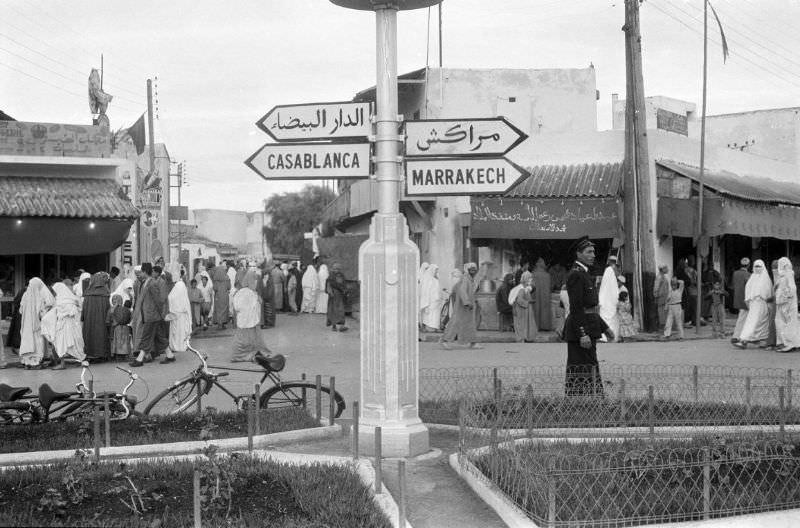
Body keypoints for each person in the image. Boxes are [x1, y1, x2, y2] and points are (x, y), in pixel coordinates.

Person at [563, 237, 613, 396]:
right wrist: (582, 333)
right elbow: (577, 308)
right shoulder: (576, 275)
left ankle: (591, 404)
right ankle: (582, 405)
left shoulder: (584, 273)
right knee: (581, 368)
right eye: (589, 252)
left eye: (594, 252)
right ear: (579, 254)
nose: (593, 255)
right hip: (581, 330)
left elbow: (591, 308)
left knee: (589, 367)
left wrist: (605, 327)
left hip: (589, 326)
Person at [130, 263, 171, 367]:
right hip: (150, 315)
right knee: (159, 337)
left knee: (146, 337)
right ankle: (170, 355)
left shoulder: (151, 283)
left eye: (141, 272)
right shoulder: (146, 282)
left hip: (152, 315)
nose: (140, 274)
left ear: (144, 272)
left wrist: (161, 314)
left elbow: (159, 300)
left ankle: (139, 359)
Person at [441, 263, 482, 349]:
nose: (473, 271)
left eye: (474, 269)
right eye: (471, 269)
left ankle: (472, 342)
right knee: (455, 323)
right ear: (468, 270)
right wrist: (466, 302)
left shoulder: (470, 279)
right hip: (463, 306)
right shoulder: (465, 279)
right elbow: (462, 291)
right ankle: (445, 340)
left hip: (468, 306)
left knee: (470, 324)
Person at [734, 259, 772, 349]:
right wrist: (748, 302)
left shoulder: (766, 279)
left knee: (761, 322)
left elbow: (769, 292)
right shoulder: (752, 278)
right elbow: (748, 290)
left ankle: (760, 340)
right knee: (752, 321)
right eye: (756, 266)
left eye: (759, 266)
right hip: (753, 304)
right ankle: (744, 340)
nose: (757, 268)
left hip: (762, 303)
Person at [46, 282, 86, 369]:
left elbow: (66, 313)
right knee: (70, 343)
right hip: (70, 326)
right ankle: (78, 360)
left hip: (65, 326)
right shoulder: (70, 299)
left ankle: (63, 363)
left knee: (63, 343)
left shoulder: (63, 300)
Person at [232, 270, 267, 362]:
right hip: (250, 321)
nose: (255, 282)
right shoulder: (250, 292)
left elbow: (236, 307)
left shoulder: (242, 292)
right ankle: (248, 355)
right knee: (251, 339)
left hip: (244, 321)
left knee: (243, 340)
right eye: (254, 280)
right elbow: (258, 303)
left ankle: (239, 356)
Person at [19, 277, 54, 369]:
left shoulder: (26, 295)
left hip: (26, 325)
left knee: (27, 341)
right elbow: (45, 310)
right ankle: (35, 362)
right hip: (36, 324)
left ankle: (27, 361)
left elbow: (21, 310)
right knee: (37, 341)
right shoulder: (40, 296)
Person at [82, 272, 111, 362]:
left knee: (89, 335)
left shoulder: (87, 294)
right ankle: (101, 354)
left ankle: (90, 354)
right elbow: (108, 309)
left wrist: (83, 318)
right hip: (101, 321)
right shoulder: (105, 294)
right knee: (101, 335)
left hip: (89, 321)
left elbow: (84, 309)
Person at [774, 257, 800, 353]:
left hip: (788, 302)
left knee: (789, 323)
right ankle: (789, 343)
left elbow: (792, 288)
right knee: (784, 322)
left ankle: (790, 343)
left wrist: (787, 297)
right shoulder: (782, 275)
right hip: (783, 302)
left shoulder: (788, 273)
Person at [166, 269, 192, 356]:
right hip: (180, 313)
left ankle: (177, 347)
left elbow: (173, 298)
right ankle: (179, 346)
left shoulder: (179, 285)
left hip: (178, 313)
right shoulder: (180, 285)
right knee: (179, 332)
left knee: (177, 332)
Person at [598, 256, 620, 342]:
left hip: (607, 300)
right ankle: (611, 335)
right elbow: (611, 288)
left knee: (606, 316)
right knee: (611, 317)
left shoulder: (608, 271)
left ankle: (605, 336)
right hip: (610, 300)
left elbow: (605, 288)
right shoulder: (610, 271)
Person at [509, 274, 537, 342]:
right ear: (526, 280)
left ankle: (524, 338)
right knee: (521, 324)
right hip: (522, 309)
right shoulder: (521, 289)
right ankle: (521, 339)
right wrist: (529, 302)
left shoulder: (523, 288)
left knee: (522, 324)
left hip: (523, 309)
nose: (531, 281)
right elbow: (519, 300)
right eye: (529, 279)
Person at [731, 258, 751, 342]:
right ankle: (738, 336)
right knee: (743, 318)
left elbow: (733, 284)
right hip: (745, 299)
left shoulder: (735, 273)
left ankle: (739, 336)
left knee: (742, 317)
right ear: (749, 265)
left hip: (737, 297)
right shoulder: (749, 275)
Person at [107, 294, 132, 361]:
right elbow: (129, 319)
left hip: (115, 328)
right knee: (125, 342)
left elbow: (107, 321)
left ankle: (116, 356)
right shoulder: (125, 309)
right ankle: (125, 356)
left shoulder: (111, 310)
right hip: (125, 328)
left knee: (115, 342)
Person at [420, 264, 444, 332]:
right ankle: (429, 328)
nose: (436, 272)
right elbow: (426, 292)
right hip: (431, 301)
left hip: (436, 301)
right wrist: (426, 302)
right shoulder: (428, 280)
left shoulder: (435, 279)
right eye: (435, 270)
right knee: (430, 316)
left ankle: (436, 327)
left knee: (436, 316)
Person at [531, 258, 553, 331]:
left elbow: (531, 286)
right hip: (545, 297)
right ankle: (545, 326)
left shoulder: (533, 274)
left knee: (536, 309)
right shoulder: (547, 275)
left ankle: (536, 326)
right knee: (545, 310)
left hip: (536, 296)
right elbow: (551, 287)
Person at [326, 263, 348, 332]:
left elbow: (343, 284)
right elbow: (329, 285)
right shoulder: (333, 276)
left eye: (337, 269)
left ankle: (338, 326)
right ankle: (337, 326)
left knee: (336, 310)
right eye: (335, 269)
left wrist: (344, 290)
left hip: (336, 296)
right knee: (337, 310)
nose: (336, 270)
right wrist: (343, 290)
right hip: (335, 295)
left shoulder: (333, 276)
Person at [210, 263, 231, 329]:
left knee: (219, 310)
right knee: (224, 310)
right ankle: (223, 324)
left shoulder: (215, 280)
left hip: (218, 296)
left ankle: (219, 324)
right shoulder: (227, 278)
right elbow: (229, 287)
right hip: (225, 296)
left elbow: (215, 288)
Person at [258, 263, 275, 328]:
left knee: (269, 310)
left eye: (267, 274)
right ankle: (267, 322)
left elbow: (270, 291)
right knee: (267, 310)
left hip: (268, 299)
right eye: (265, 274)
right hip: (265, 298)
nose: (266, 275)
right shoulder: (262, 280)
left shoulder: (269, 280)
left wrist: (266, 296)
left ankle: (269, 323)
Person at [653, 265, 671, 329]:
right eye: (666, 268)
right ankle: (662, 328)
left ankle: (664, 328)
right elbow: (656, 288)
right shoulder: (659, 277)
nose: (667, 269)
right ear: (662, 269)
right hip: (661, 298)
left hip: (664, 298)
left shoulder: (663, 277)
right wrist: (656, 297)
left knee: (664, 313)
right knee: (661, 313)